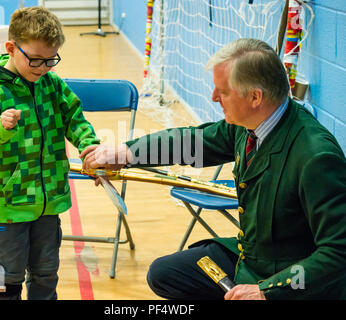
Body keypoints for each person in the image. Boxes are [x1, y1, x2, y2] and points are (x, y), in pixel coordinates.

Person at [81, 38, 346, 300]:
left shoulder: (315, 156)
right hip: (253, 257)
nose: (214, 97)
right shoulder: (250, 125)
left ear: (255, 97)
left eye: (223, 91)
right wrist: (126, 153)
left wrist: (268, 291)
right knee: (165, 273)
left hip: (290, 277)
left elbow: (338, 252)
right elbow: (191, 142)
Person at [0, 6, 100, 300]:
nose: (43, 68)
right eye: (35, 60)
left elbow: (74, 118)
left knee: (46, 271)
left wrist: (88, 145)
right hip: (9, 204)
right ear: (12, 48)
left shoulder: (52, 84)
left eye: (51, 60)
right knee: (6, 273)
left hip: (50, 200)